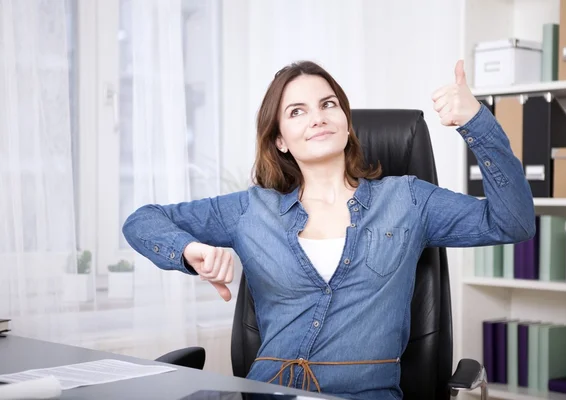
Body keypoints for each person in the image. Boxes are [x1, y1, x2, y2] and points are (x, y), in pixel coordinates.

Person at [122, 60, 535, 400]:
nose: (317, 118)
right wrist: (187, 249)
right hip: (267, 392)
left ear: (346, 121)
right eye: (296, 111)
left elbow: (512, 221)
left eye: (328, 104)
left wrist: (478, 123)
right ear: (280, 139)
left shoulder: (407, 200)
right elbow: (142, 220)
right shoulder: (251, 209)